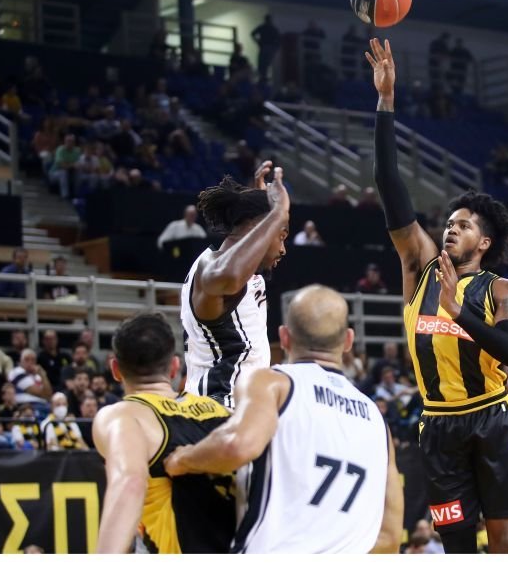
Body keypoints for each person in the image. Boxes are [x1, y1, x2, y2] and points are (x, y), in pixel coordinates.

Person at [367, 38, 508, 553]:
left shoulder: (503, 289)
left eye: (465, 225)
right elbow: (388, 183)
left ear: (484, 243)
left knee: (505, 542)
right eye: (450, 223)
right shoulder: (420, 268)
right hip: (438, 424)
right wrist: (386, 101)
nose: (452, 229)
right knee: (455, 544)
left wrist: (459, 313)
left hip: (492, 417)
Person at [165, 285, 402, 553]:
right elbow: (391, 537)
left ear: (284, 337)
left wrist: (182, 459)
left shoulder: (273, 383)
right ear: (348, 341)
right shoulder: (376, 418)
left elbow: (236, 445)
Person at [91, 313, 237, 553]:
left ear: (115, 369)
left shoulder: (124, 416)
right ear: (174, 367)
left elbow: (130, 483)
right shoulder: (225, 413)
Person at [180, 162, 289, 408]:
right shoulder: (211, 268)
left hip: (238, 408)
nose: (283, 249)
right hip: (217, 411)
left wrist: (260, 200)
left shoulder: (248, 272)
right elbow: (229, 277)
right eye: (281, 236)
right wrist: (276, 214)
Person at [251, 14, 281, 83]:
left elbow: (252, 34)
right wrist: (275, 48)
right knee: (265, 64)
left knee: (263, 64)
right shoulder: (272, 28)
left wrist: (258, 42)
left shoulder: (265, 27)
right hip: (268, 48)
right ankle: (263, 78)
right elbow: (279, 40)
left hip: (265, 48)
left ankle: (263, 78)